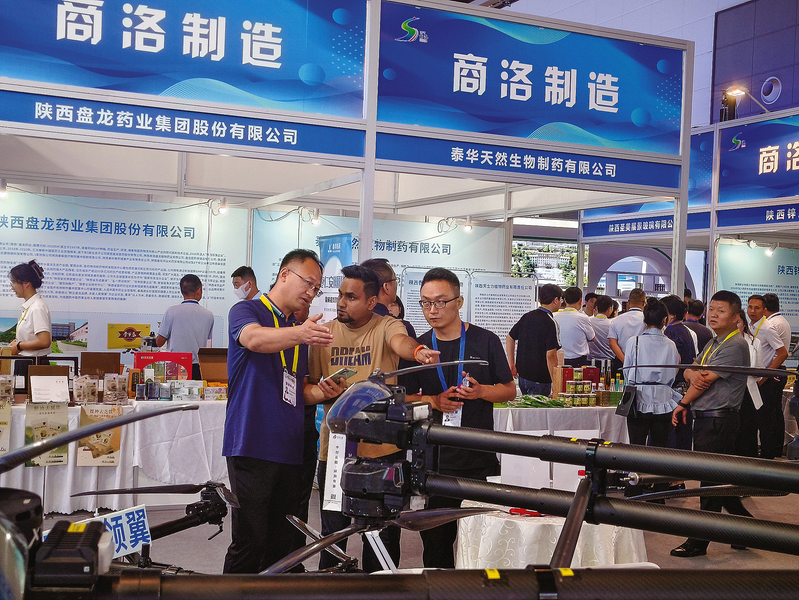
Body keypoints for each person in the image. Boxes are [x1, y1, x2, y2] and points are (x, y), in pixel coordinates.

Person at [307, 264, 438, 572]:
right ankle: (328, 588)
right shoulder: (323, 334)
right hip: (336, 451)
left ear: (371, 301)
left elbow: (400, 342)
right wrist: (323, 391)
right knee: (332, 533)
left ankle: (381, 588)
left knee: (382, 534)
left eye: (351, 297)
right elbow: (310, 387)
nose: (342, 302)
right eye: (340, 295)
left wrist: (417, 351)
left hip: (382, 452)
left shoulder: (387, 325)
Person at [222, 249, 341, 574]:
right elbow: (253, 340)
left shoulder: (295, 328)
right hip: (252, 443)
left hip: (290, 447)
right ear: (285, 275)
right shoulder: (248, 310)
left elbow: (295, 389)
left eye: (316, 288)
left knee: (284, 543)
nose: (311, 292)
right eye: (308, 283)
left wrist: (323, 392)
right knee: (250, 540)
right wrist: (300, 333)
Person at [398, 268, 516, 568]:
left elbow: (508, 390)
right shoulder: (419, 349)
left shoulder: (485, 341)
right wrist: (433, 400)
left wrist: (481, 392)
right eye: (426, 303)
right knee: (436, 547)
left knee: (482, 544)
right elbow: (404, 398)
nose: (432, 310)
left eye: (440, 302)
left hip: (478, 458)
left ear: (459, 302)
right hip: (433, 462)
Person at [670, 290, 753, 558]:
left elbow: (704, 379)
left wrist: (683, 402)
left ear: (736, 316)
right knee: (717, 480)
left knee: (709, 482)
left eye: (721, 311)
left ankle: (699, 541)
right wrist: (692, 374)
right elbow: (691, 369)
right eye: (712, 309)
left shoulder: (735, 345)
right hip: (708, 417)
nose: (714, 315)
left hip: (720, 419)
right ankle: (747, 528)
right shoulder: (715, 341)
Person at [623, 298, 680, 450]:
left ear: (645, 319)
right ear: (664, 320)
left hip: (637, 398)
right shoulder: (671, 344)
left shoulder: (634, 341)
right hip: (663, 398)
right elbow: (672, 373)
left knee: (636, 447)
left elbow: (627, 371)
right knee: (659, 449)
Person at [746, 294, 788, 459]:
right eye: (750, 307)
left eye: (757, 308)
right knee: (756, 418)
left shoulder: (767, 328)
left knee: (766, 420)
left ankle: (767, 457)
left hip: (764, 380)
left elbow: (782, 353)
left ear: (764, 310)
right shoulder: (751, 326)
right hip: (754, 379)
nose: (752, 311)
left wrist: (766, 375)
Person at [506, 284, 562, 396]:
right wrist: (556, 382)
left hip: (523, 376)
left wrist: (511, 364)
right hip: (540, 379)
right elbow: (551, 355)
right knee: (538, 407)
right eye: (561, 299)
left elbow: (510, 337)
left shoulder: (527, 316)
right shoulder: (550, 322)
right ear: (555, 300)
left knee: (526, 406)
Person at [156, 274, 215, 381]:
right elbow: (207, 343)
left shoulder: (171, 311)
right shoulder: (208, 315)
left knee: (174, 391)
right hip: (198, 367)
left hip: (175, 366)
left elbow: (159, 342)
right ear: (199, 291)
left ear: (181, 291)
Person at [660, 295, 697, 451]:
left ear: (671, 315)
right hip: (685, 388)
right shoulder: (685, 330)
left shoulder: (671, 332)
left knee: (672, 434)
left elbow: (676, 360)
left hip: (675, 388)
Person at [8, 261, 51, 360]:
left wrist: (19, 346)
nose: (12, 287)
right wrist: (17, 343)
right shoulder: (31, 306)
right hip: (28, 361)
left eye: (14, 282)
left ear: (26, 283)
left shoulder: (37, 307)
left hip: (34, 363)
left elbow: (44, 342)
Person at [553, 286, 595, 367]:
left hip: (559, 360)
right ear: (580, 300)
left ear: (565, 300)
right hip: (579, 361)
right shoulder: (583, 318)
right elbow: (592, 338)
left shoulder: (555, 317)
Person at [609, 288, 646, 375]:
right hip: (643, 363)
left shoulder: (616, 320)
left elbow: (612, 343)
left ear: (628, 302)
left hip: (621, 362)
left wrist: (625, 361)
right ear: (644, 303)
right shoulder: (648, 320)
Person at [588, 295, 615, 363]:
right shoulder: (612, 324)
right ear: (610, 309)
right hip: (608, 361)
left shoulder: (588, 321)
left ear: (596, 308)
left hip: (590, 361)